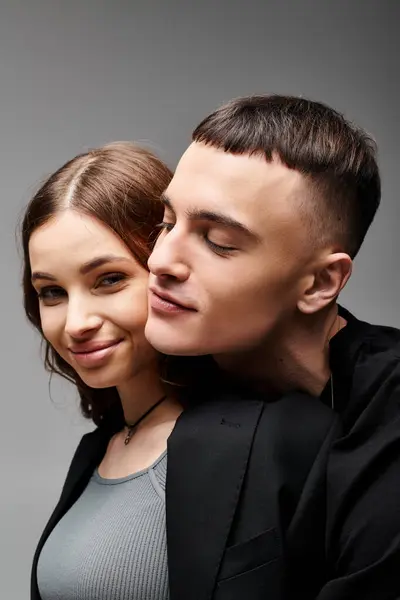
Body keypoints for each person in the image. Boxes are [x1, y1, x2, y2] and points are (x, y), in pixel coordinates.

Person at [25, 141, 330, 600]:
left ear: (167, 269)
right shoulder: (100, 448)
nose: (76, 323)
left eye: (108, 280)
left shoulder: (280, 434)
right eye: (51, 292)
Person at [146, 95, 400, 599]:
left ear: (320, 283)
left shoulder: (389, 407)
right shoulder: (166, 383)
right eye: (167, 222)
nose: (160, 260)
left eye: (217, 240)